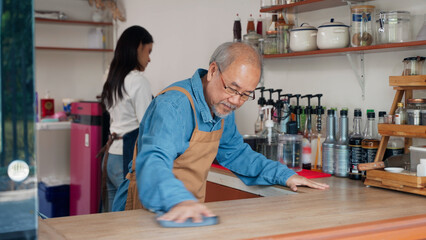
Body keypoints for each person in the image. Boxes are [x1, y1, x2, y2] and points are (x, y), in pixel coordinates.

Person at [112, 42, 329, 222]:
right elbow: (153, 162)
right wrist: (178, 200)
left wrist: (285, 175)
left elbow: (236, 154)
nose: (236, 100)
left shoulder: (223, 108)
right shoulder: (173, 106)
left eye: (246, 95)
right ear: (213, 71)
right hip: (145, 210)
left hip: (188, 212)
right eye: (232, 89)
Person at [99, 25, 153, 212]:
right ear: (138, 47)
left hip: (110, 156)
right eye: (148, 51)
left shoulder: (111, 76)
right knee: (127, 219)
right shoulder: (138, 81)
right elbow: (147, 124)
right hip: (127, 157)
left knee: (112, 220)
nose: (149, 59)